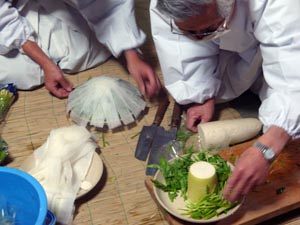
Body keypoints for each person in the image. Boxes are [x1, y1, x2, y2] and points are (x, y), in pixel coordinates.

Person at [150, 0, 300, 202]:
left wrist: (270, 144)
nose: (197, 37)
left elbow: (292, 67)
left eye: (208, 29)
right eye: (188, 31)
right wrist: (199, 91)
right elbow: (177, 42)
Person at [0, 0, 161, 99]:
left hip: (60, 4)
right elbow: (4, 19)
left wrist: (131, 55)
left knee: (86, 52)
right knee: (21, 74)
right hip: (12, 10)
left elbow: (111, 5)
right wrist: (46, 63)